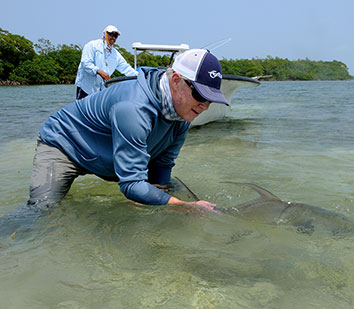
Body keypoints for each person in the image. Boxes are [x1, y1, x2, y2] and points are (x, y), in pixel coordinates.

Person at [28, 49, 229, 212]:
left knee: (169, 191)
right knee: (42, 211)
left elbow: (163, 163)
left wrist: (156, 199)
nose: (205, 106)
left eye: (211, 99)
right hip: (64, 145)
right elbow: (131, 184)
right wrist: (183, 206)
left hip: (106, 155)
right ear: (176, 80)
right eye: (200, 95)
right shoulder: (134, 107)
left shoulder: (183, 115)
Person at [75, 25, 137, 100]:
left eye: (116, 36)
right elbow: (85, 63)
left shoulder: (116, 54)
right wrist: (100, 72)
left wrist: (141, 76)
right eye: (111, 34)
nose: (113, 38)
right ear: (105, 34)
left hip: (100, 92)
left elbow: (127, 69)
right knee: (82, 110)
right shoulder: (92, 45)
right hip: (85, 89)